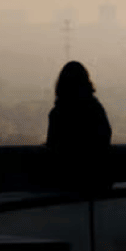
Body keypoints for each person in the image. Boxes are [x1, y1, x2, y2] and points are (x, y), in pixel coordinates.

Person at [46, 61, 113, 193]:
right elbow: (105, 137)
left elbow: (53, 145)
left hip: (66, 183)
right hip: (97, 181)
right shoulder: (95, 110)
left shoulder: (58, 114)